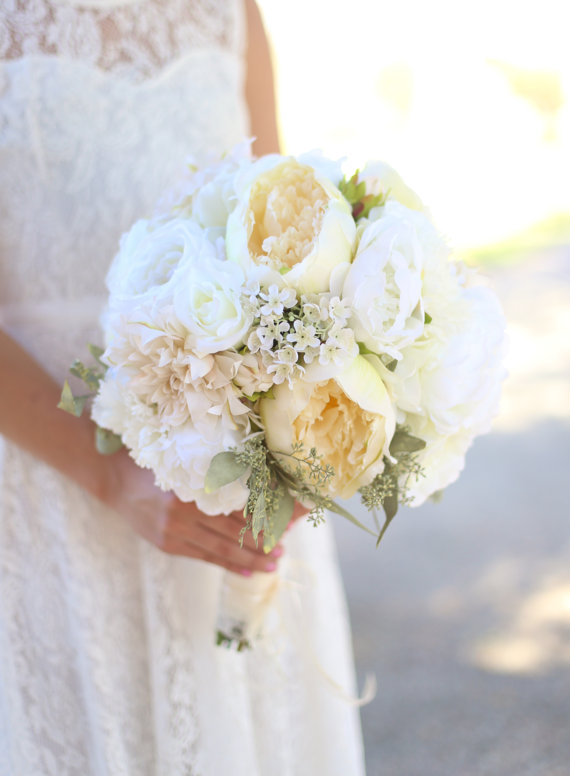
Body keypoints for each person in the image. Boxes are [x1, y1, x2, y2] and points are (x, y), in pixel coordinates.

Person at [0, 1, 366, 773]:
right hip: (43, 486)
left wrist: (299, 433)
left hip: (226, 487)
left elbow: (282, 238)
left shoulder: (231, 13)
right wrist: (107, 472)